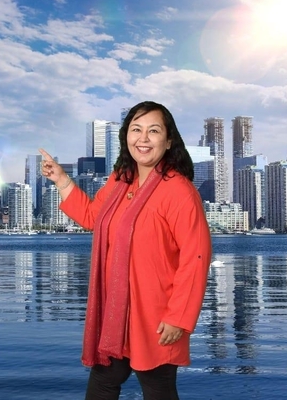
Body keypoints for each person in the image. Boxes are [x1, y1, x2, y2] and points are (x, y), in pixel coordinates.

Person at [39, 100, 212, 400]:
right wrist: (61, 180)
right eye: (136, 129)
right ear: (126, 137)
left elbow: (195, 257)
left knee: (158, 388)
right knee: (103, 382)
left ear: (169, 141)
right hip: (117, 312)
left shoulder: (179, 191)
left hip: (156, 316)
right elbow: (94, 216)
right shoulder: (121, 181)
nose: (143, 138)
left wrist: (179, 317)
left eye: (153, 131)